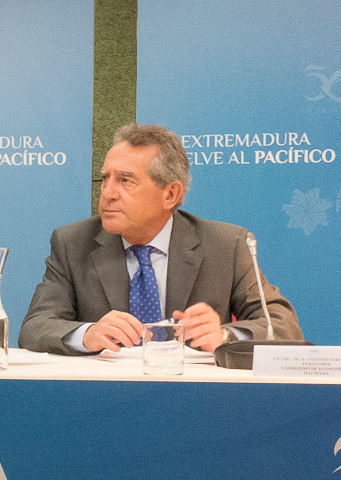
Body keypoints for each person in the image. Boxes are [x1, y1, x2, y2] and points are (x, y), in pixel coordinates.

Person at [18, 122, 302, 355]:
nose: (108, 193)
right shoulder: (72, 243)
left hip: (195, 394)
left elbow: (283, 326)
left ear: (170, 194)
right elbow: (35, 327)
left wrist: (225, 336)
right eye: (105, 179)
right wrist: (88, 334)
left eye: (125, 180)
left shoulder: (226, 245)